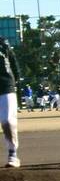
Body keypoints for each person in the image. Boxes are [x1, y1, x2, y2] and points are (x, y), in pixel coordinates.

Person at [0, 37, 21, 167]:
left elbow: (13, 61)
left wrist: (16, 80)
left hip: (5, 85)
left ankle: (13, 153)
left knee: (7, 121)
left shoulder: (3, 43)